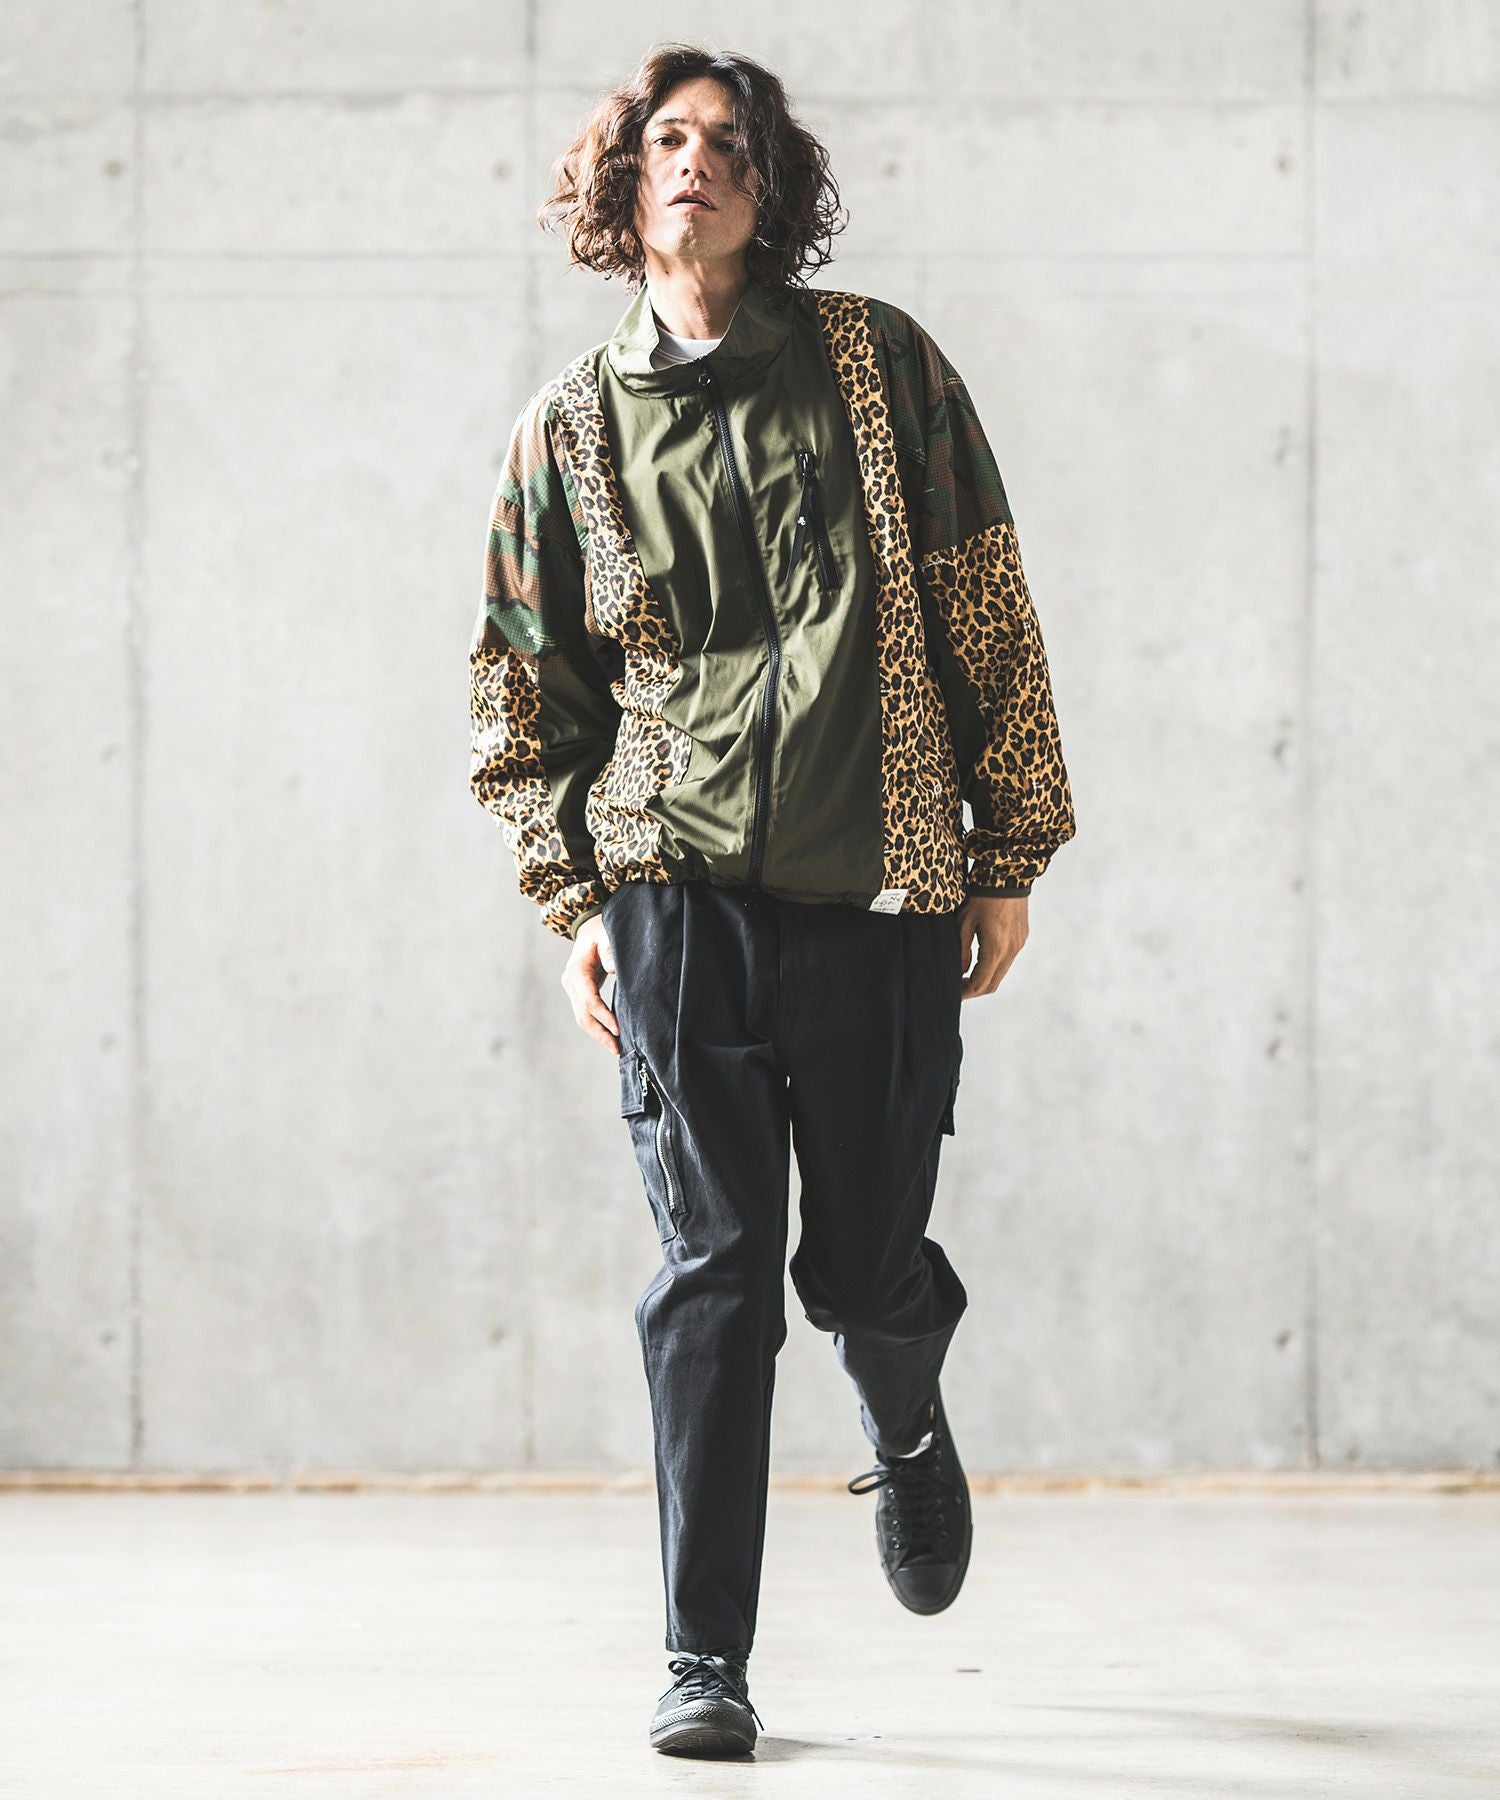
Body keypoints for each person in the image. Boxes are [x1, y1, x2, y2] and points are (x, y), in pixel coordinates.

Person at [467, 42, 1077, 1760]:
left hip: (882, 880)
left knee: (862, 1267)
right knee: (713, 1274)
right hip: (674, 895)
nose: (699, 162)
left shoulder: (884, 366)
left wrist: (1009, 850)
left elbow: (983, 596)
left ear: (772, 183)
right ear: (624, 181)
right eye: (667, 139)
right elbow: (523, 690)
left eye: (732, 142)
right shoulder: (568, 427)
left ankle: (906, 1415)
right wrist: (572, 899)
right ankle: (703, 1658)